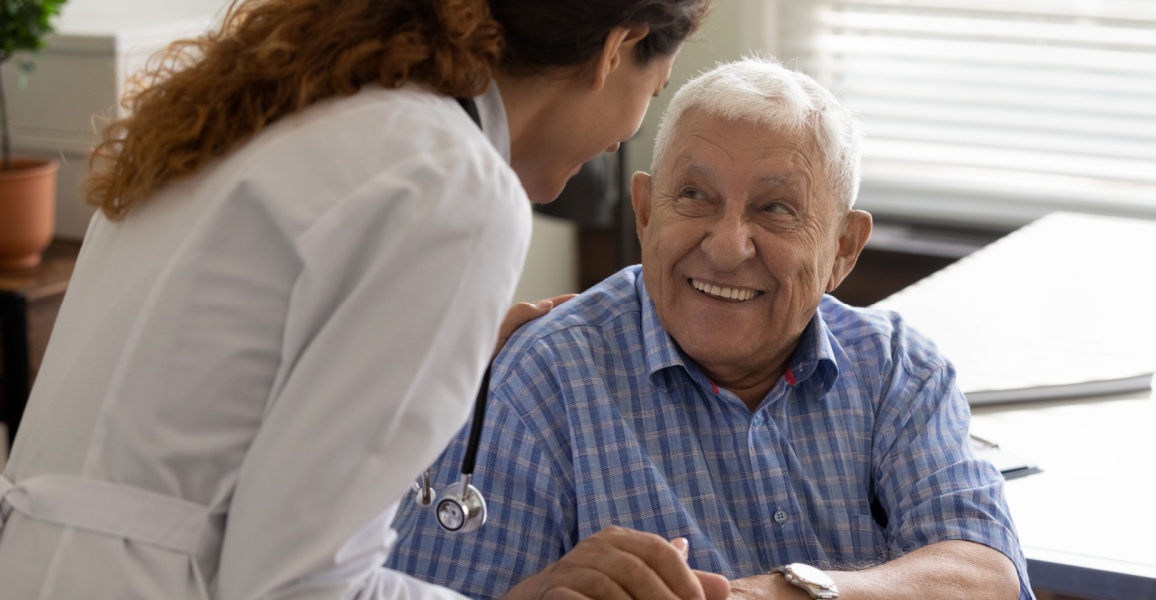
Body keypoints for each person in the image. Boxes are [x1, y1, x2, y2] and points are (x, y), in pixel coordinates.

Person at [0, 1, 722, 599]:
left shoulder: (269, 113)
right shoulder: (457, 185)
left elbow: (215, 393)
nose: (624, 138)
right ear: (615, 48)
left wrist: (445, 349)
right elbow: (301, 586)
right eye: (652, 95)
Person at [389, 56, 1034, 600]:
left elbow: (988, 576)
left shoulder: (897, 369)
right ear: (644, 212)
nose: (727, 247)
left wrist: (776, 593)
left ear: (843, 249)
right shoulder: (540, 378)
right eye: (694, 197)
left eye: (775, 209)